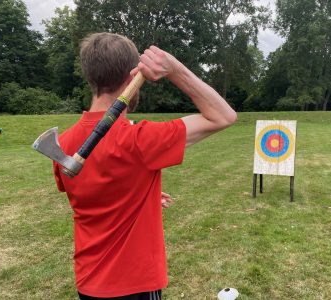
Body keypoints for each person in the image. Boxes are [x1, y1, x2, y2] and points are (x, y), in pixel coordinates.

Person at [52, 32, 237, 300]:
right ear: (133, 77)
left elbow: (93, 192)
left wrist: (140, 195)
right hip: (135, 284)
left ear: (90, 77)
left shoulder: (65, 142)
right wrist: (174, 68)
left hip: (88, 284)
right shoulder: (139, 139)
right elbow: (224, 116)